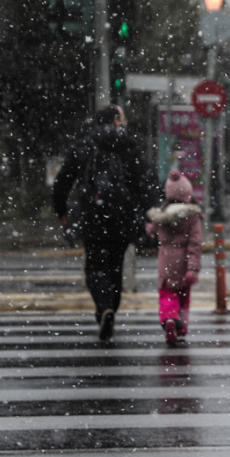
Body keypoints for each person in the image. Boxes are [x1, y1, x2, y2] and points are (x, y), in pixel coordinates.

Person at [52, 105, 155, 342]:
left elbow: (63, 180)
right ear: (117, 120)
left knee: (95, 267)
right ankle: (111, 309)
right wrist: (149, 212)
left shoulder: (85, 145)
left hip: (93, 215)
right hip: (122, 216)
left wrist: (61, 208)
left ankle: (103, 307)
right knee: (115, 266)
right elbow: (144, 181)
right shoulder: (128, 146)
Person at [145, 169, 203, 346]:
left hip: (166, 259)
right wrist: (192, 268)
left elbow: (152, 232)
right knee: (184, 296)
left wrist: (149, 227)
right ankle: (181, 328)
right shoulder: (192, 217)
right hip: (184, 260)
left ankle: (169, 319)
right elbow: (195, 244)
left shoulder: (161, 215)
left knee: (167, 294)